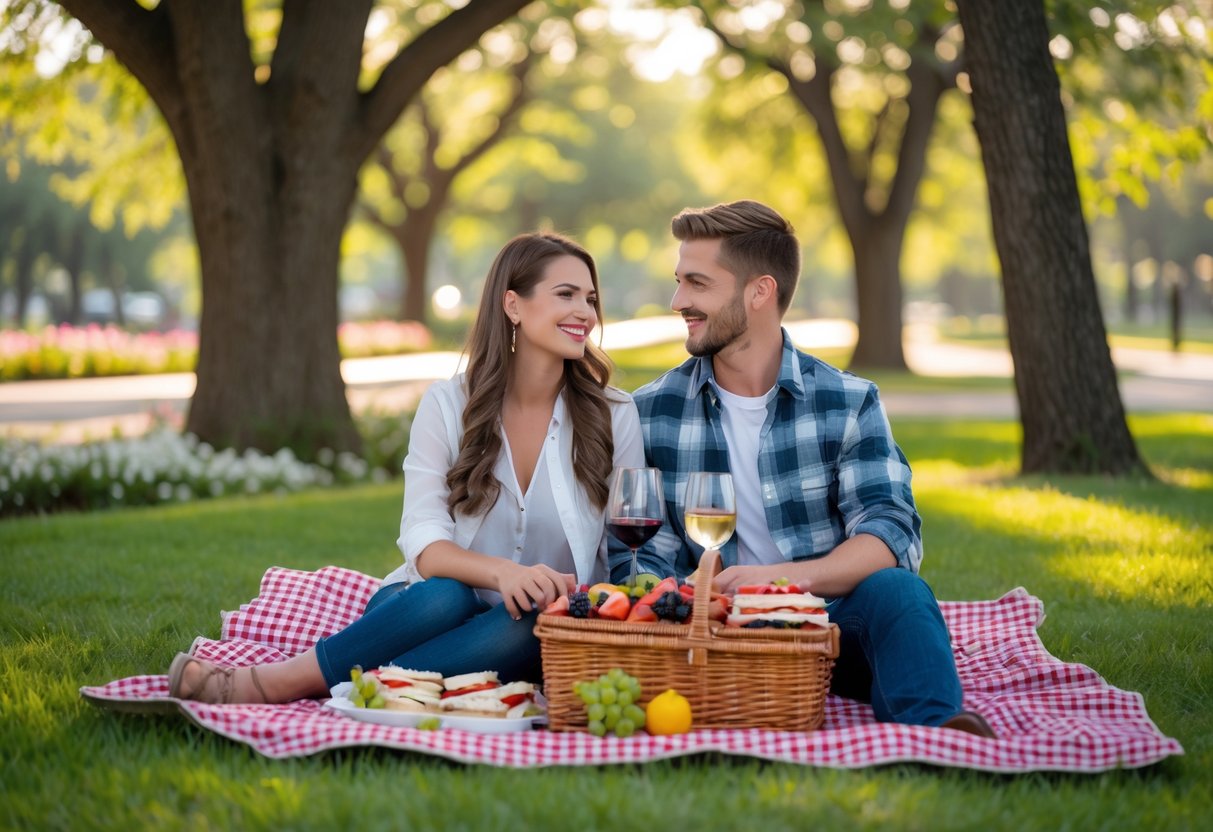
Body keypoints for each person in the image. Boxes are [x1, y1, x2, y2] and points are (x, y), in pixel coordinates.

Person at [170, 232, 645, 704]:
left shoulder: (613, 414)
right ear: (513, 305)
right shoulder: (448, 405)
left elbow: (627, 544)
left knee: (537, 624)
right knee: (448, 595)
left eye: (591, 298)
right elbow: (424, 541)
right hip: (421, 610)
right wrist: (503, 573)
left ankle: (315, 685)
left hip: (522, 628)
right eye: (566, 294)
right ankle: (311, 684)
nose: (586, 312)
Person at [617, 200, 995, 738]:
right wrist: (692, 600)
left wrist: (780, 581)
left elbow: (889, 532)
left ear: (760, 292)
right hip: (710, 636)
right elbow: (641, 551)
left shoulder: (847, 400)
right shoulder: (652, 410)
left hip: (827, 624)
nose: (679, 301)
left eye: (697, 284)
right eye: (679, 282)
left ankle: (937, 735)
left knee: (901, 593)